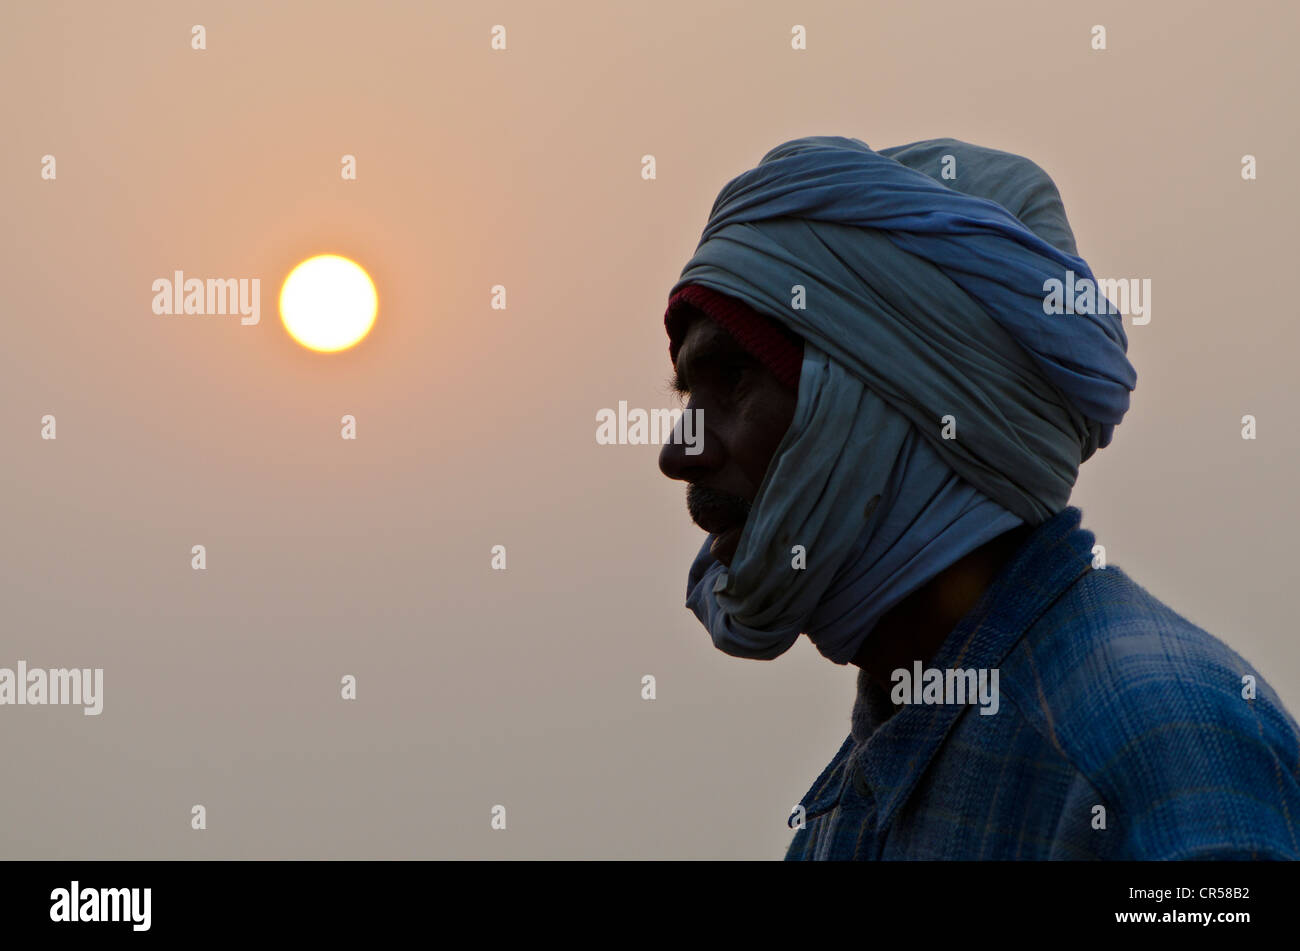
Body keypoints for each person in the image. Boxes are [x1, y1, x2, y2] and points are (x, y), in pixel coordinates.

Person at [657, 136, 1300, 860]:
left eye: (735, 382)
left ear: (889, 406)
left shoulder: (1160, 753)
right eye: (688, 398)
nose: (678, 454)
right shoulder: (851, 806)